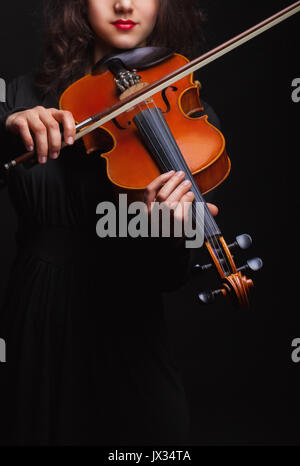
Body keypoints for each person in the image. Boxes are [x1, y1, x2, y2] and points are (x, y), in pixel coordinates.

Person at [0, 0, 219, 446]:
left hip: (128, 335)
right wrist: (4, 132)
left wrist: (169, 233)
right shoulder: (21, 96)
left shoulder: (189, 117)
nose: (124, 3)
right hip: (37, 321)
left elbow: (168, 276)